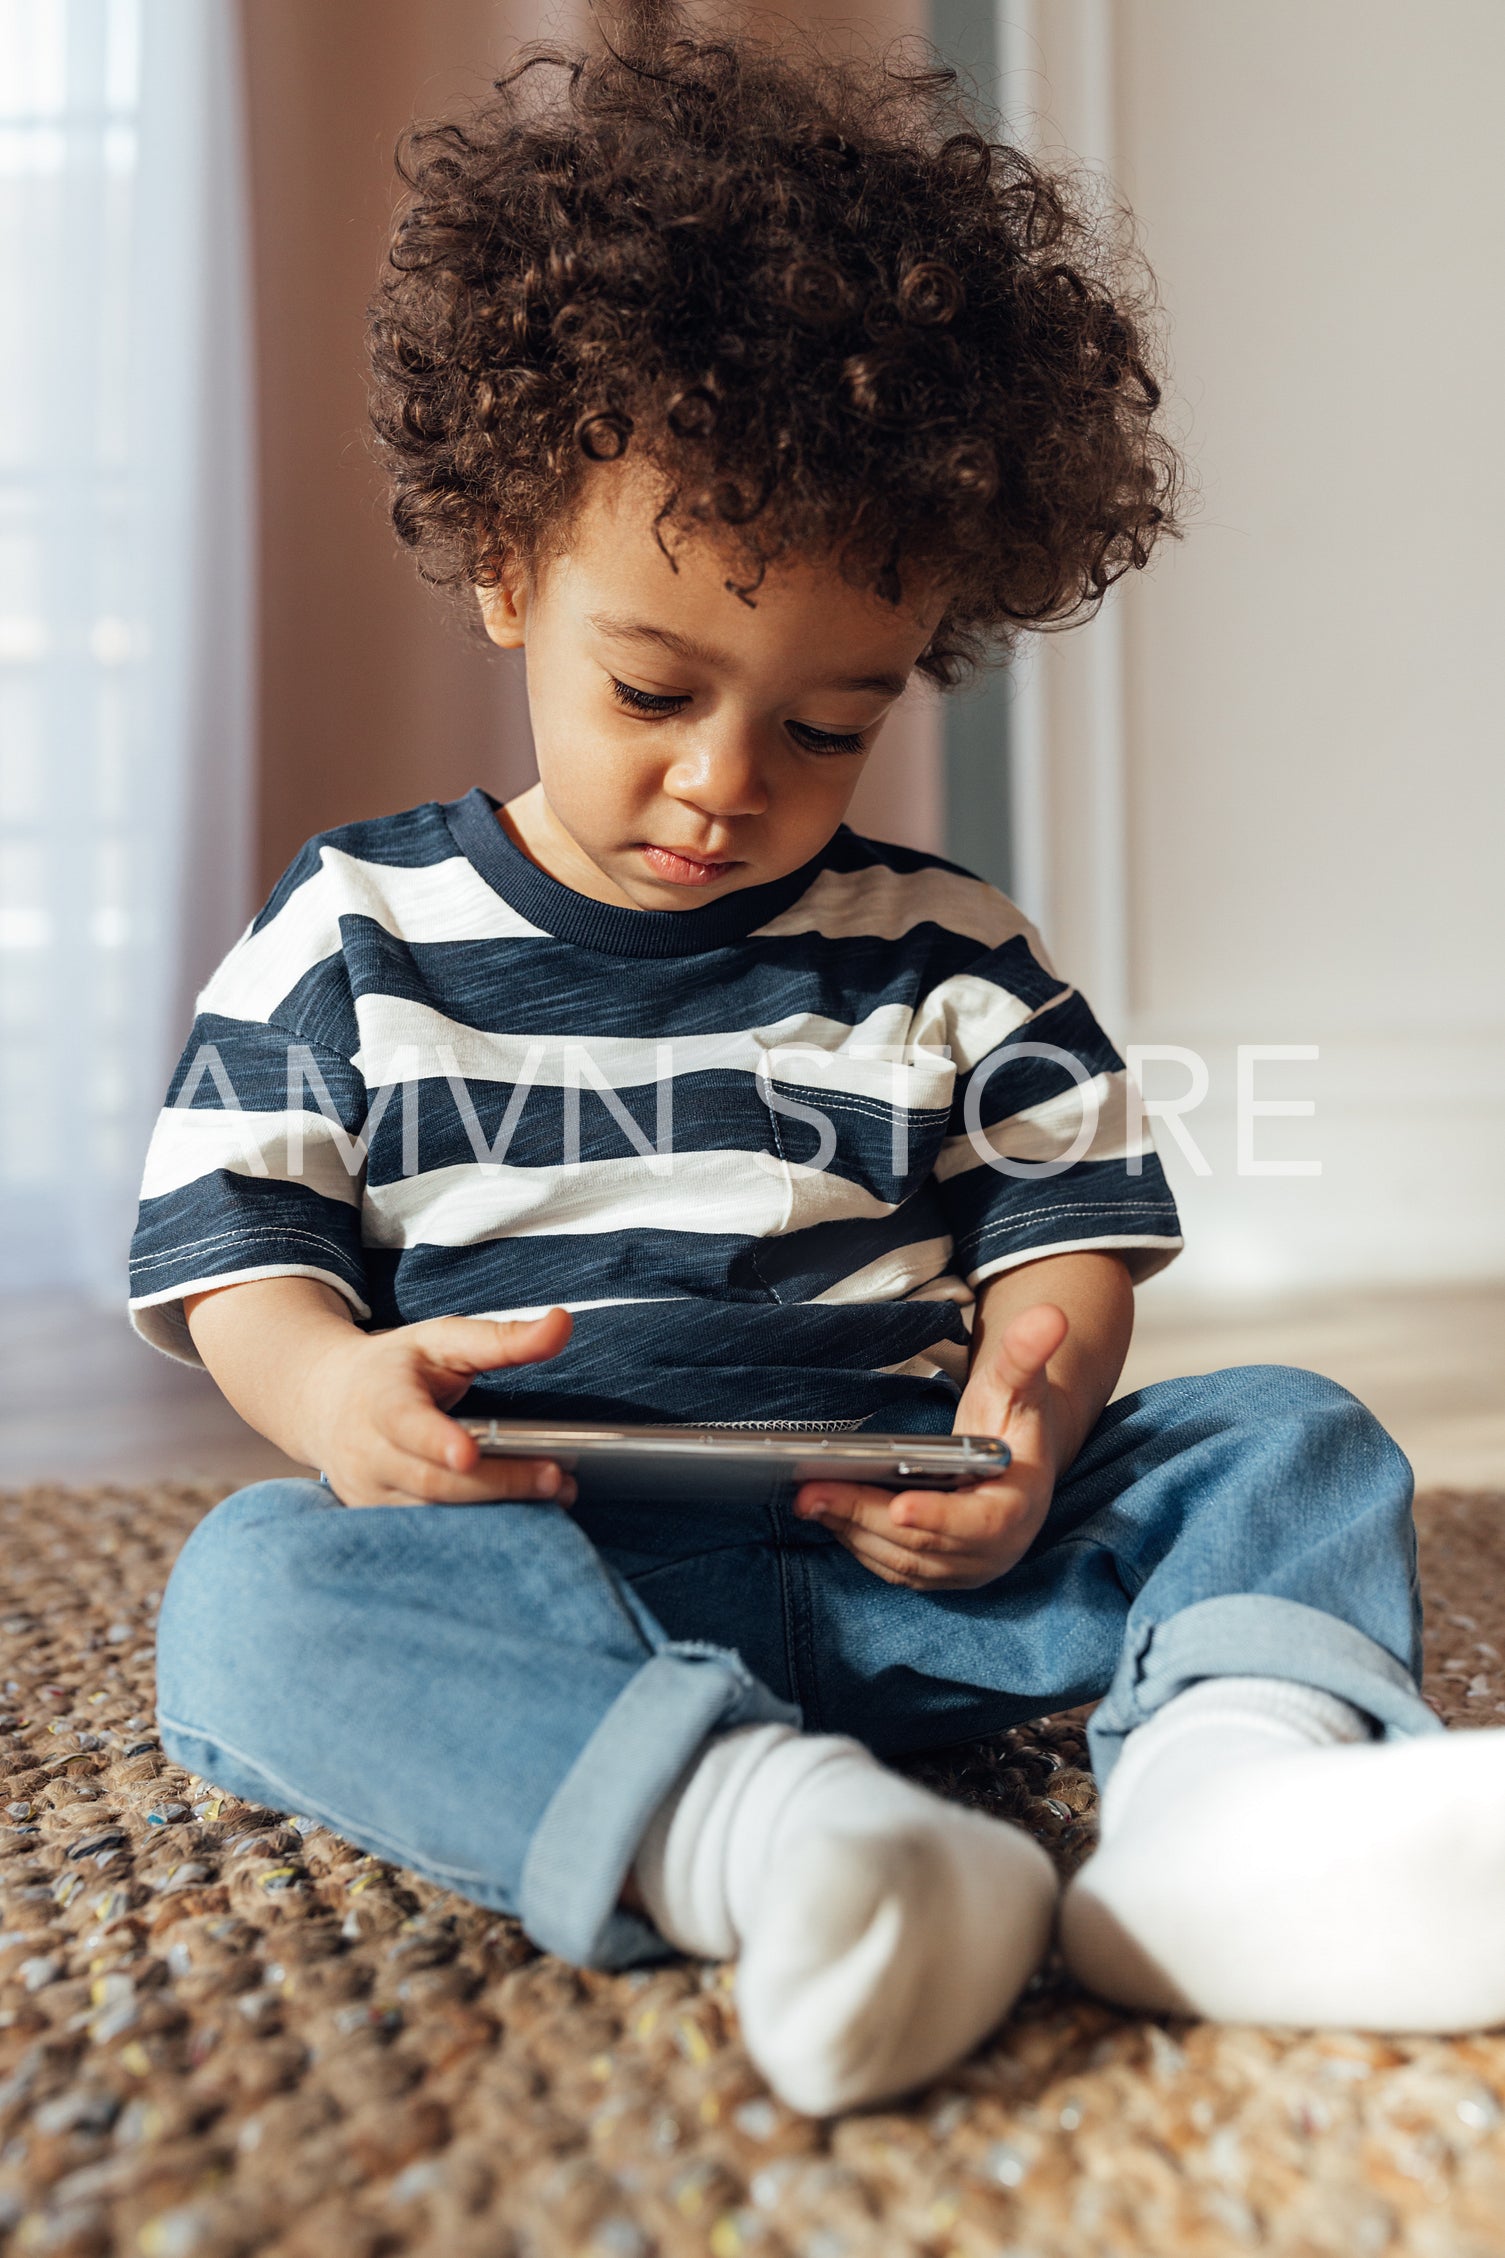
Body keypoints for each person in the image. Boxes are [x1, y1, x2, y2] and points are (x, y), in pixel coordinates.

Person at [129, 8, 1481, 2119]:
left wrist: (1033, 1411)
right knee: (251, 1593)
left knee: (1286, 1441)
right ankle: (781, 1846)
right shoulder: (354, 930)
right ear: (505, 567)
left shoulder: (954, 952)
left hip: (917, 1547)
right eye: (653, 686)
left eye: (826, 723)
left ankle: (1230, 1826)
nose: (724, 780)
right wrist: (333, 1390)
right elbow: (245, 1251)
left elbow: (1063, 1246)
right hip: (543, 1559)